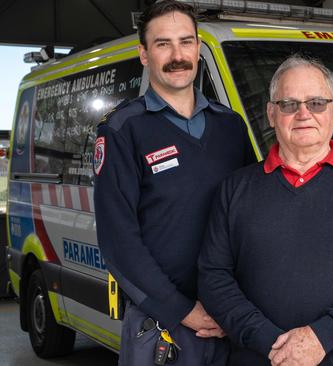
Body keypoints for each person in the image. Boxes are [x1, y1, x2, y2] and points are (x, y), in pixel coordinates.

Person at [197, 55, 333, 366]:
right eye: (289, 104)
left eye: (317, 103)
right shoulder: (234, 189)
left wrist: (322, 336)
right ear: (271, 113)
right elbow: (213, 276)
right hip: (258, 357)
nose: (304, 113)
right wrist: (271, 344)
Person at [93, 1, 256, 364]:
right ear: (144, 54)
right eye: (163, 44)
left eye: (186, 42)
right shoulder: (122, 130)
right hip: (163, 325)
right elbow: (118, 242)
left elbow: (254, 214)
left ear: (199, 49)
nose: (177, 55)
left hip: (231, 318)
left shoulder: (230, 126)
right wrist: (182, 309)